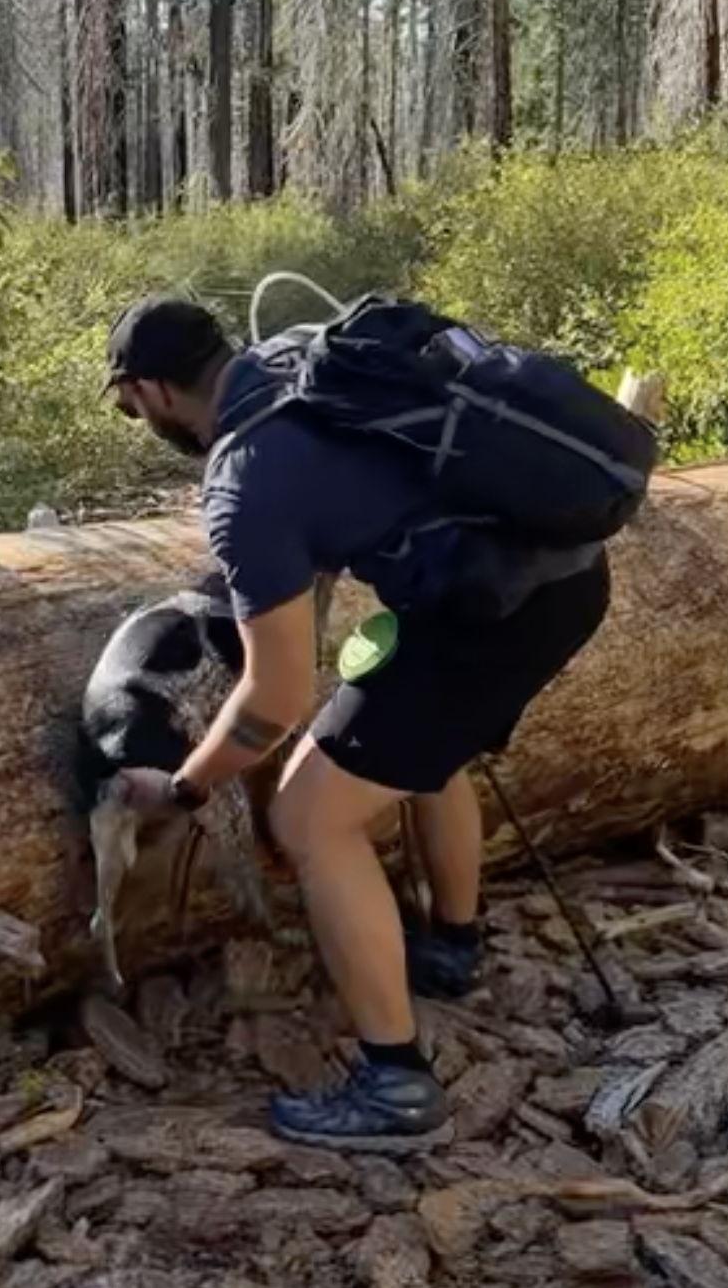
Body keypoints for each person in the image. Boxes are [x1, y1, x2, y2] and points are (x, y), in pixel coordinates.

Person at [101, 293, 611, 1150]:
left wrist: (187, 786)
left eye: (127, 409)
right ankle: (450, 945)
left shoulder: (244, 476)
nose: (137, 420)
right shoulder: (304, 354)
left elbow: (275, 702)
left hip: (490, 614)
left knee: (309, 816)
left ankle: (397, 1087)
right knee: (422, 748)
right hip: (566, 576)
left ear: (152, 392)